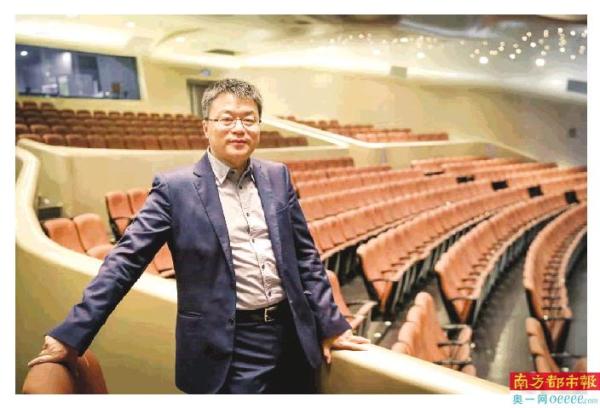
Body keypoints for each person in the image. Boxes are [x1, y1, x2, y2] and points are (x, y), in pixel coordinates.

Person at [28, 78, 369, 394]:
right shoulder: (174, 189)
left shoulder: (277, 176)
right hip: (232, 346)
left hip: (293, 337)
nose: (239, 128)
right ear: (206, 127)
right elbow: (123, 263)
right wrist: (71, 334)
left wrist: (332, 324)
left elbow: (305, 257)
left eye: (249, 120)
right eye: (227, 119)